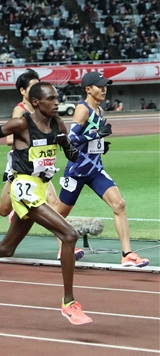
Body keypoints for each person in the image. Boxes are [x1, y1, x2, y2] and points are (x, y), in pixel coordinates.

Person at [0, 82, 92, 326]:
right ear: (36, 102)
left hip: (41, 187)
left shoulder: (58, 124)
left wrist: (83, 143)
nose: (56, 102)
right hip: (23, 188)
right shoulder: (22, 123)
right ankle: (69, 303)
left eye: (57, 98)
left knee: (6, 249)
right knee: (69, 235)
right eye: (50, 99)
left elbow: (70, 153)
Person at [0, 69, 84, 260]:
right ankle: (65, 245)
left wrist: (61, 143)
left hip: (41, 177)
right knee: (58, 218)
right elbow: (8, 139)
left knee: (6, 237)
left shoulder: (53, 119)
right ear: (26, 93)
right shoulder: (21, 114)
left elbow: (71, 153)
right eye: (33, 86)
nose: (55, 102)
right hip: (22, 173)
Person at [56, 72, 149, 267]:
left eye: (106, 85)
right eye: (100, 86)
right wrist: (96, 134)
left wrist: (100, 144)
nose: (104, 89)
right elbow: (69, 139)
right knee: (58, 214)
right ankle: (62, 246)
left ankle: (127, 254)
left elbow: (89, 139)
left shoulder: (99, 110)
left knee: (119, 205)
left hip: (95, 169)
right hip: (77, 171)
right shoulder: (83, 109)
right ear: (88, 89)